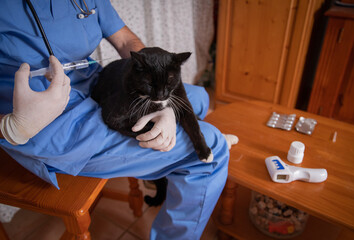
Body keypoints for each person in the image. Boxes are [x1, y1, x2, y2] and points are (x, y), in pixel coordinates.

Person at [0, 1, 231, 239]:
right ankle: (175, 166)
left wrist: (165, 103)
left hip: (94, 82)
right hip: (45, 121)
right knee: (213, 149)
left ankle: (164, 166)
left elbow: (126, 42)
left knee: (200, 98)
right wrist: (12, 127)